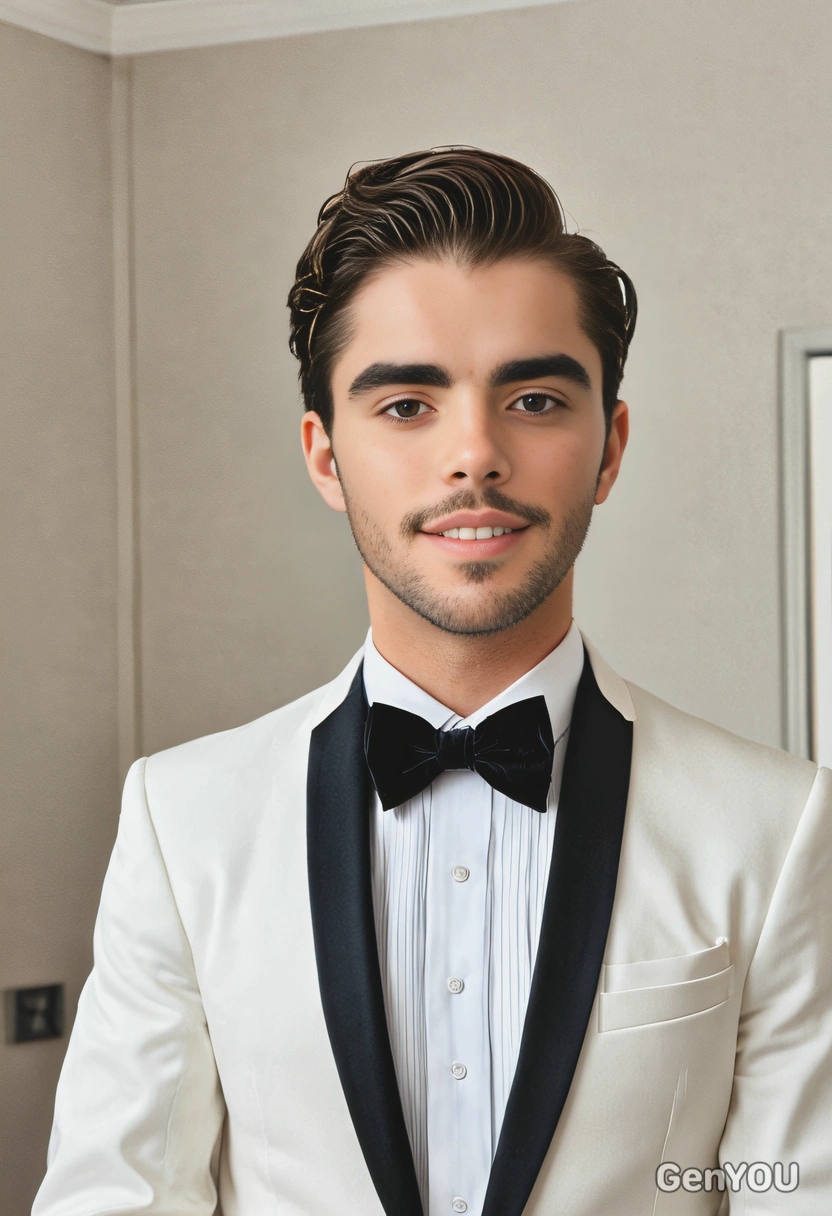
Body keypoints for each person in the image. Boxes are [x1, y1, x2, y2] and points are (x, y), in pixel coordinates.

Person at [33, 148, 832, 1216]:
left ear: (608, 448)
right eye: (407, 406)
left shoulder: (773, 826)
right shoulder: (183, 822)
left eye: (536, 397)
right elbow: (111, 1198)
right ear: (326, 455)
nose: (474, 455)